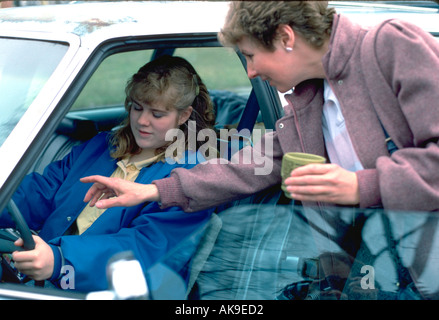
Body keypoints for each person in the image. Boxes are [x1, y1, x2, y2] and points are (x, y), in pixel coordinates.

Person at [81, 1, 439, 214]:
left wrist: (362, 186)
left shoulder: (391, 46)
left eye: (251, 55)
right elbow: (246, 167)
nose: (250, 71)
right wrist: (154, 190)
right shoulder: (307, 102)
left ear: (286, 37)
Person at [0, 55, 216, 292]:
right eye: (137, 108)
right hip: (42, 277)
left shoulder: (190, 179)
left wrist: (61, 260)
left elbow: (144, 249)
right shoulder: (103, 146)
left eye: (157, 114)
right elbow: (41, 192)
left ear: (184, 115)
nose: (142, 121)